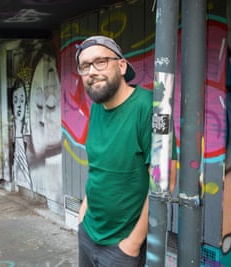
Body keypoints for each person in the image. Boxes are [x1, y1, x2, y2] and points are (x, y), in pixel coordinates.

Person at [75, 35, 177, 267]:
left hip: (122, 247)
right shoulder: (98, 108)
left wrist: (132, 243)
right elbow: (98, 170)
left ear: (122, 66)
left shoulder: (150, 109)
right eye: (85, 66)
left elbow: (165, 182)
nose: (91, 71)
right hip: (88, 233)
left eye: (100, 62)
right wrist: (82, 217)